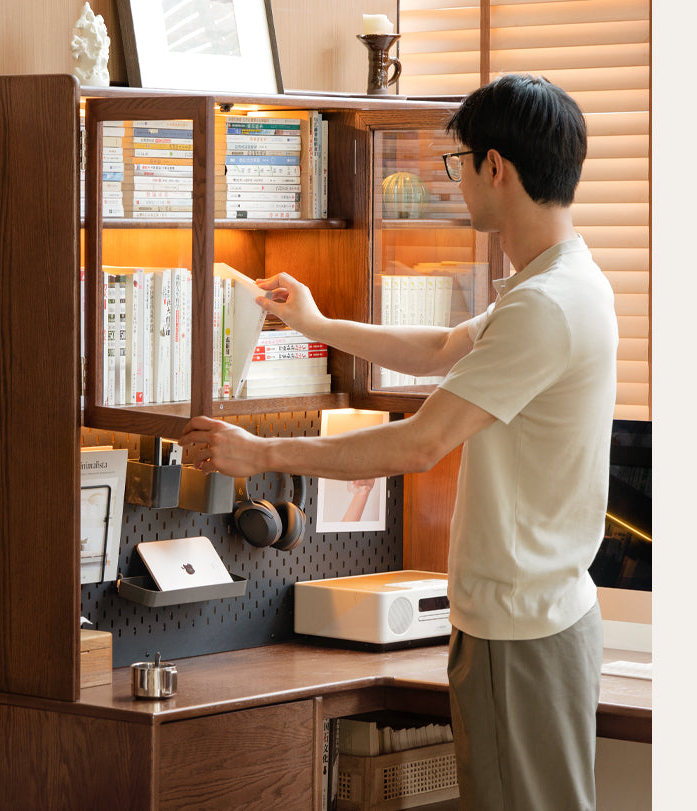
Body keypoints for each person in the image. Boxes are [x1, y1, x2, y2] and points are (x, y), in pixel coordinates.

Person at [180, 73, 618, 810]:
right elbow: (443, 343)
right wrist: (320, 326)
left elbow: (420, 444)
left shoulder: (546, 305)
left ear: (495, 168)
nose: (454, 182)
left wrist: (262, 453)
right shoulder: (559, 282)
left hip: (521, 632)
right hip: (531, 620)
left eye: (459, 162)